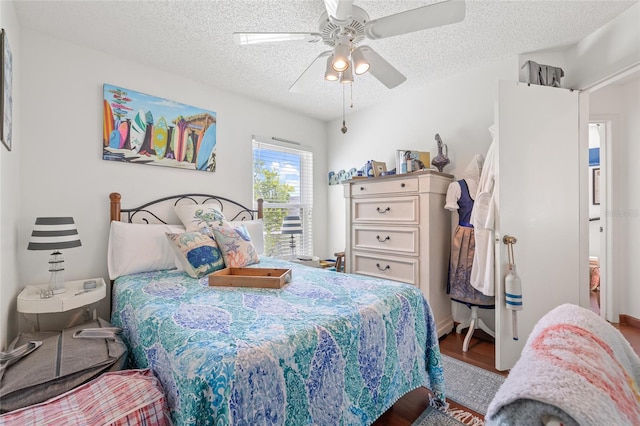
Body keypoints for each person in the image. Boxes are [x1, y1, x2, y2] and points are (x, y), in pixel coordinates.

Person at [445, 154, 495, 308]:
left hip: (485, 236)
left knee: (482, 268)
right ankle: (465, 298)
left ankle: (482, 300)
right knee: (463, 267)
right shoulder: (456, 186)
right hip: (464, 235)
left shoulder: (491, 187)